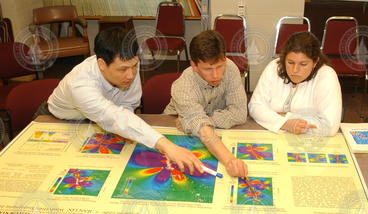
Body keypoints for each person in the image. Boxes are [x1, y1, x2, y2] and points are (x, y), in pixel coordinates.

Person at [35, 27, 202, 174]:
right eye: (122, 69)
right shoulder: (80, 84)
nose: (131, 75)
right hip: (57, 121)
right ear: (101, 64)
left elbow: (127, 105)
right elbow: (113, 116)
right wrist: (168, 147)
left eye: (134, 66)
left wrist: (124, 128)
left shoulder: (129, 65)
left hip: (94, 121)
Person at [164, 30, 248, 177]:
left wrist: (206, 120)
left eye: (220, 66)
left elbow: (240, 114)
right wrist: (229, 161)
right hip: (172, 126)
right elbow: (204, 130)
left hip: (203, 130)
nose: (216, 75)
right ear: (194, 66)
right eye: (208, 69)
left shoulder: (231, 68)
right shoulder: (183, 86)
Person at [248, 31, 342, 136]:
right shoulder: (274, 67)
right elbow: (255, 106)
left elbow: (330, 126)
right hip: (272, 134)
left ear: (315, 62)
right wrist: (287, 124)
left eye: (303, 64)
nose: (295, 70)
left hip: (309, 141)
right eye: (290, 62)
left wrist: (286, 117)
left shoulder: (326, 75)